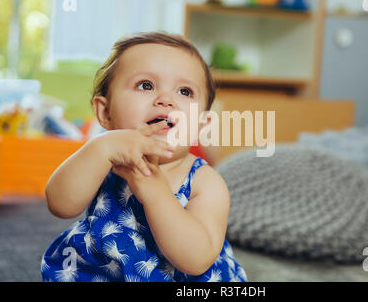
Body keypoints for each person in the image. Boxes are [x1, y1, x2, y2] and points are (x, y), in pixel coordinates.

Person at [41, 32, 247, 282]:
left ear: (203, 125)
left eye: (184, 91)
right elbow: (61, 205)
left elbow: (196, 260)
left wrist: (156, 193)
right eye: (146, 85)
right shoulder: (105, 160)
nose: (165, 100)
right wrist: (100, 148)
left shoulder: (206, 182)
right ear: (105, 112)